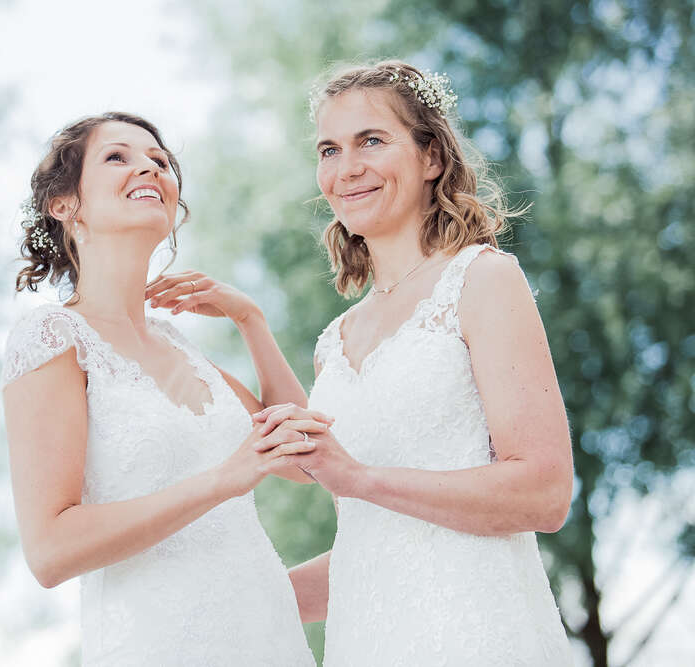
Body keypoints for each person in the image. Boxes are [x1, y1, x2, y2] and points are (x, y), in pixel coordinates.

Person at [245, 61, 574, 665]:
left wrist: (360, 478)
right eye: (329, 149)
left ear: (432, 158)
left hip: (479, 637)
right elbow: (371, 543)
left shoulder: (482, 280)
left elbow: (545, 493)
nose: (347, 169)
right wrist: (249, 600)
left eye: (371, 140)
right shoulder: (332, 343)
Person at [1, 112, 318, 666]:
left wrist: (251, 322)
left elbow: (306, 459)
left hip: (269, 642)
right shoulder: (53, 337)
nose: (150, 165)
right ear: (64, 204)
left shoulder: (184, 349)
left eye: (161, 160)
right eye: (117, 156)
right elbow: (50, 551)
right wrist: (221, 480)